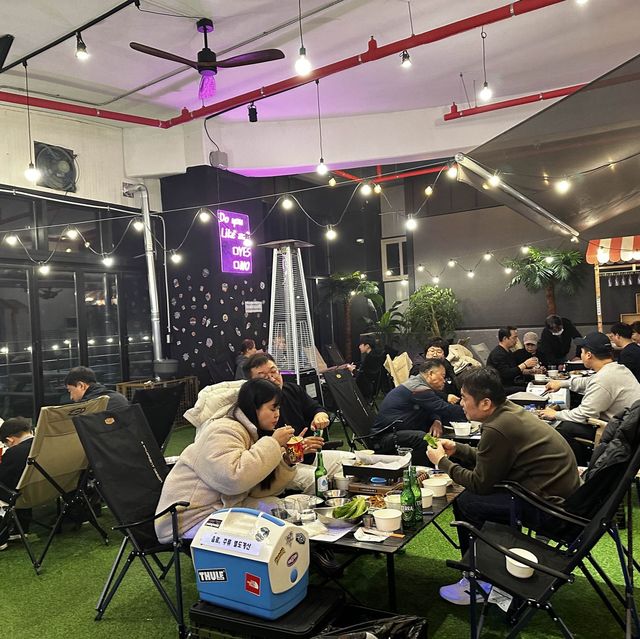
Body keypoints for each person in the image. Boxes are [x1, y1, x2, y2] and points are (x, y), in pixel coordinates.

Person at [426, 368, 580, 605]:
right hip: (561, 502)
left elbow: (480, 483)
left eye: (465, 398)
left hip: (550, 511)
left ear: (485, 403)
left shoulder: (497, 427)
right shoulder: (509, 412)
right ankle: (492, 566)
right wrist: (459, 449)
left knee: (468, 501)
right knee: (478, 499)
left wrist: (442, 462)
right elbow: (494, 459)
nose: (461, 403)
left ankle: (477, 580)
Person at [155, 378, 297, 543]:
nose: (277, 414)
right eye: (272, 408)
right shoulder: (223, 429)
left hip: (218, 509)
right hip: (188, 519)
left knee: (279, 508)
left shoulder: (250, 432)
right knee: (264, 530)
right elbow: (233, 480)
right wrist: (273, 443)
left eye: (278, 408)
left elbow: (256, 491)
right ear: (254, 407)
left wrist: (287, 461)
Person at [540, 332, 640, 464]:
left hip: (619, 432)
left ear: (588, 355)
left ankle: (582, 468)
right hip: (631, 427)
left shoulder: (603, 379)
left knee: (562, 428)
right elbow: (588, 381)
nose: (581, 355)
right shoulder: (618, 369)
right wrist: (562, 383)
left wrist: (555, 414)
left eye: (581, 351)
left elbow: (584, 414)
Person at [371, 359, 466, 465]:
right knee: (423, 438)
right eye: (442, 376)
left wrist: (436, 421)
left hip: (398, 433)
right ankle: (426, 470)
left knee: (433, 435)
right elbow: (444, 409)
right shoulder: (417, 388)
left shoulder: (420, 384)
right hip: (385, 438)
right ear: (431, 374)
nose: (444, 381)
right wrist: (470, 411)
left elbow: (432, 408)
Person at [244, 353, 328, 455]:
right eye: (263, 377)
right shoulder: (251, 408)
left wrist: (320, 416)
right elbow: (262, 454)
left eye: (273, 372)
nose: (272, 379)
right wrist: (296, 448)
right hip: (281, 460)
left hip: (310, 455)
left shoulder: (292, 390)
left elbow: (315, 408)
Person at [0, 417, 35, 549]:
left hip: (23, 497)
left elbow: (4, 479)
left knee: (10, 488)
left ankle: (1, 537)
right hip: (50, 490)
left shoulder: (14, 453)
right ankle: (20, 529)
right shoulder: (45, 444)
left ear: (10, 440)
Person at [486, 327, 537, 391]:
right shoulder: (498, 354)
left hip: (511, 384)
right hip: (501, 388)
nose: (516, 341)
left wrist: (531, 372)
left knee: (534, 386)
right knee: (530, 390)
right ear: (505, 338)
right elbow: (506, 374)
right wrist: (525, 364)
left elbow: (515, 370)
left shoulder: (508, 352)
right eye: (514, 338)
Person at [64, 366, 129, 410]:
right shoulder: (119, 397)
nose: (71, 397)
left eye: (70, 390)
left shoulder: (84, 408)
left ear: (81, 385)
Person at [354, 336, 385, 401]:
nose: (359, 347)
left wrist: (353, 370)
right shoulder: (376, 356)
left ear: (367, 346)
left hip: (365, 390)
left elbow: (361, 377)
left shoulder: (369, 358)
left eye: (361, 345)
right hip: (372, 387)